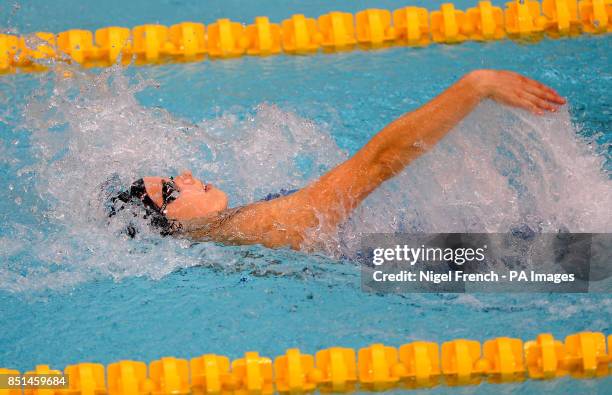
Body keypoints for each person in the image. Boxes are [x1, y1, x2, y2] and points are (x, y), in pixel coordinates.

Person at [109, 69, 565, 250]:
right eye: (170, 190)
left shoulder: (231, 233)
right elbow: (377, 164)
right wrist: (475, 86)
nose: (185, 175)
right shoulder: (262, 226)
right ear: (167, 227)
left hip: (407, 257)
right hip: (417, 263)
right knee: (589, 261)